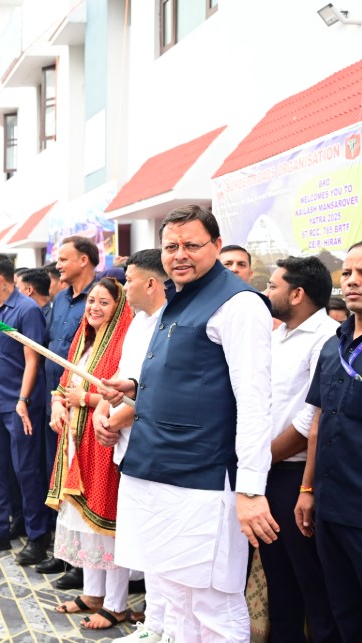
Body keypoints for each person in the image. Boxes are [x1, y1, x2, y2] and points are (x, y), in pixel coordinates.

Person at [99, 205, 276, 641]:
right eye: (171, 246)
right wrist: (134, 385)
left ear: (216, 246)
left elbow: (254, 403)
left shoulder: (238, 304)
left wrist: (251, 491)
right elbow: (192, 377)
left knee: (212, 604)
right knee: (171, 595)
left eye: (192, 245)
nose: (180, 255)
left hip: (205, 482)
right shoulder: (178, 298)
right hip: (154, 470)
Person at [258, 255, 341, 641]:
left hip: (297, 474)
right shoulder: (275, 336)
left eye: (273, 285)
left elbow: (312, 417)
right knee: (279, 579)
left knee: (313, 583)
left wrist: (265, 457)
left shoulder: (327, 337)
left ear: (297, 293)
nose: (267, 291)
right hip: (268, 472)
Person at [47, 277, 134, 631]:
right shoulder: (84, 338)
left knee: (105, 522)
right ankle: (92, 593)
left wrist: (83, 400)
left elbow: (128, 396)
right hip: (74, 441)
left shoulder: (124, 343)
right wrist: (57, 405)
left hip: (103, 441)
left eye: (104, 303)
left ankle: (116, 605)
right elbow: (65, 384)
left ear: (118, 308)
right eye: (91, 301)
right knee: (84, 522)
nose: (94, 308)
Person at [92, 249, 168, 643]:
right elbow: (122, 376)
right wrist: (101, 414)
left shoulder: (170, 324)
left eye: (130, 281)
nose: (124, 289)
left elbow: (158, 389)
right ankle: (153, 624)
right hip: (127, 449)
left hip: (156, 450)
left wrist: (117, 418)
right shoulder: (138, 323)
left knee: (160, 543)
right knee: (140, 540)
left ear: (152, 283)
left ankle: (163, 625)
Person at [0, 254, 51, 566]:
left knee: (26, 470)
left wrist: (22, 400)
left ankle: (37, 536)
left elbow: (33, 359)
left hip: (20, 406)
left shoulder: (27, 310)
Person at [297, 240, 362, 640]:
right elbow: (318, 421)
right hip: (330, 505)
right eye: (349, 273)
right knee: (341, 609)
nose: (353, 281)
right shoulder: (330, 346)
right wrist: (307, 488)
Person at [37, 236, 99, 589]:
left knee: (80, 481)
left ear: (85, 260)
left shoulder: (103, 296)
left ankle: (81, 564)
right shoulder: (60, 299)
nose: (58, 265)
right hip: (57, 401)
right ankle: (62, 551)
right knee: (56, 478)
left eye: (64, 259)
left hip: (85, 406)